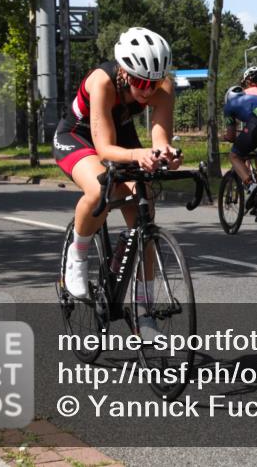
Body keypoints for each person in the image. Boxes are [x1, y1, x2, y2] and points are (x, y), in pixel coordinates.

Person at [53, 27, 179, 338]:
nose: (147, 91)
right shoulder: (102, 81)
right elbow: (105, 147)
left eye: (153, 83)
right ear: (123, 71)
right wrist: (139, 154)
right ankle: (77, 256)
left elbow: (159, 137)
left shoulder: (164, 87)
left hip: (120, 134)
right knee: (100, 188)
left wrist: (165, 153)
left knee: (144, 209)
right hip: (77, 136)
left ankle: (143, 312)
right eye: (140, 82)